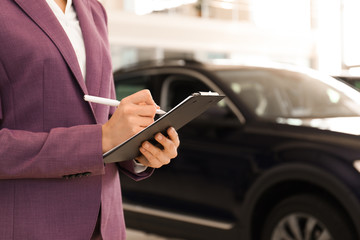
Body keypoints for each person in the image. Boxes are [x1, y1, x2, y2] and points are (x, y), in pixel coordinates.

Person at [0, 0, 180, 239]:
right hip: (32, 226)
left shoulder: (94, 9)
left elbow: (105, 115)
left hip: (107, 226)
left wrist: (140, 149)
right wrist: (100, 139)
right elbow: (102, 136)